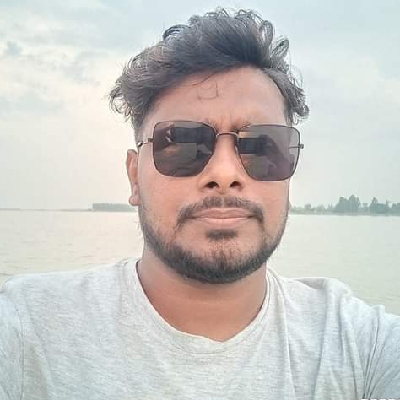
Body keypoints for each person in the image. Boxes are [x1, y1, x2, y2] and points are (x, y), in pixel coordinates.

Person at [1, 8, 399, 400]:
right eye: (182, 144)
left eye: (263, 147)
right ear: (134, 176)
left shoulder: (359, 346)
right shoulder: (26, 329)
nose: (224, 172)